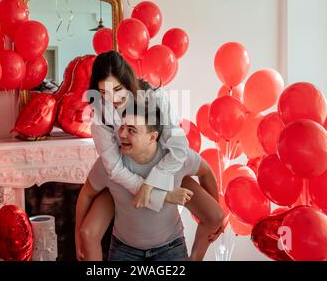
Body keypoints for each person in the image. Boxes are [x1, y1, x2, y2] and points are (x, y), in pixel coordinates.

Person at [76, 102, 224, 261]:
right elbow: (86, 195)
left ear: (152, 137)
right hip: (125, 251)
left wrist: (214, 210)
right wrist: (78, 236)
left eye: (131, 130)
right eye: (122, 126)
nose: (122, 134)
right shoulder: (109, 164)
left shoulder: (175, 158)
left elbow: (206, 171)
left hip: (170, 248)